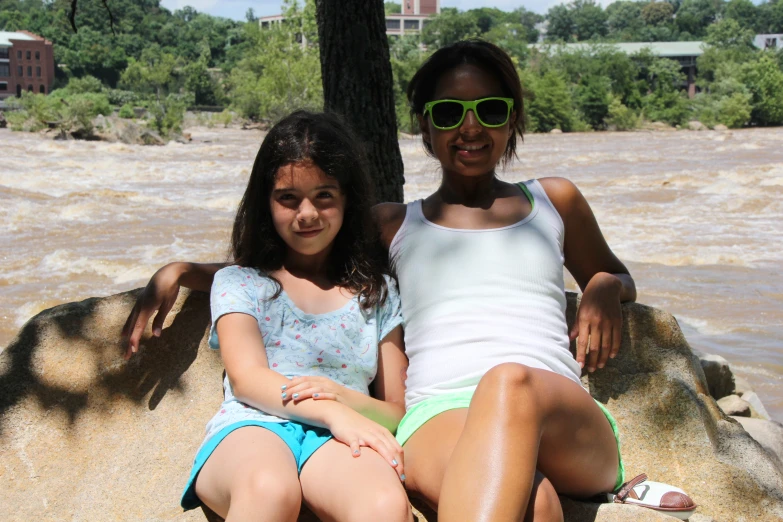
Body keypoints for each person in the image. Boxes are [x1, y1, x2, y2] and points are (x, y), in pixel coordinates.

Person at [124, 41, 636, 521]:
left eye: (492, 110)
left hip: (554, 410)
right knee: (536, 503)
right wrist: (183, 272)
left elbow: (614, 272)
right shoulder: (392, 224)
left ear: (513, 118)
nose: (471, 127)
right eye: (450, 113)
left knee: (509, 382)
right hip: (437, 415)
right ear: (425, 125)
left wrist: (602, 286)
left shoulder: (554, 199)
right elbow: (296, 261)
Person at [132, 111, 413, 522]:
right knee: (269, 491)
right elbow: (247, 379)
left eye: (324, 196)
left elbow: (395, 411)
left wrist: (344, 401)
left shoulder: (377, 293)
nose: (307, 214)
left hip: (341, 438)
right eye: (288, 198)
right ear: (266, 202)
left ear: (348, 200)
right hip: (255, 427)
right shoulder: (241, 284)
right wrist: (328, 408)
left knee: (383, 506)